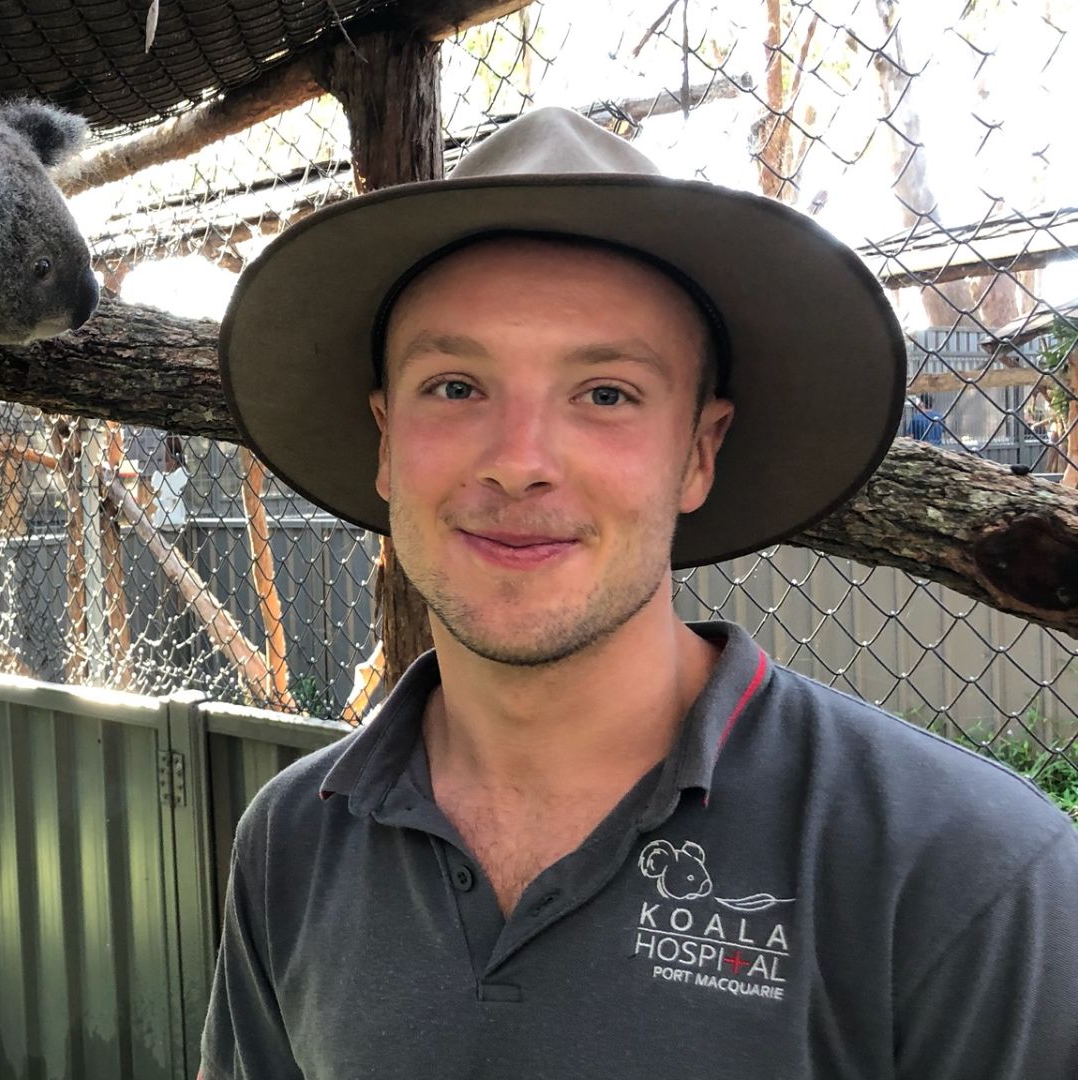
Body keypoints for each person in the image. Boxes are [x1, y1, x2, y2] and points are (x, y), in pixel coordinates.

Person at [201, 106, 1078, 1079]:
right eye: (455, 386)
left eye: (606, 394)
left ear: (699, 453)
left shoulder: (969, 875)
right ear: (385, 441)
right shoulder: (292, 842)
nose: (520, 463)